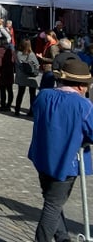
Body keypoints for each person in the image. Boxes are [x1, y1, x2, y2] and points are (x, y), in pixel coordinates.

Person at [28, 57, 93, 242]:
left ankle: (63, 238)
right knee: (53, 205)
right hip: (66, 161)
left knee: (52, 202)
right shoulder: (83, 105)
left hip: (42, 156)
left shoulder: (44, 95)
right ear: (81, 86)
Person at [15, 37, 41, 116]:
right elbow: (36, 65)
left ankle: (17, 110)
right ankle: (31, 111)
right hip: (30, 77)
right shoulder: (31, 54)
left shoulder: (18, 53)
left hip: (21, 76)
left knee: (20, 93)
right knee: (32, 94)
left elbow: (18, 64)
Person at [0, 37, 16, 111]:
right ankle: (9, 105)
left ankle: (3, 105)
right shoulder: (11, 51)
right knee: (10, 90)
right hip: (9, 72)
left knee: (2, 90)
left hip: (2, 73)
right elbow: (14, 61)